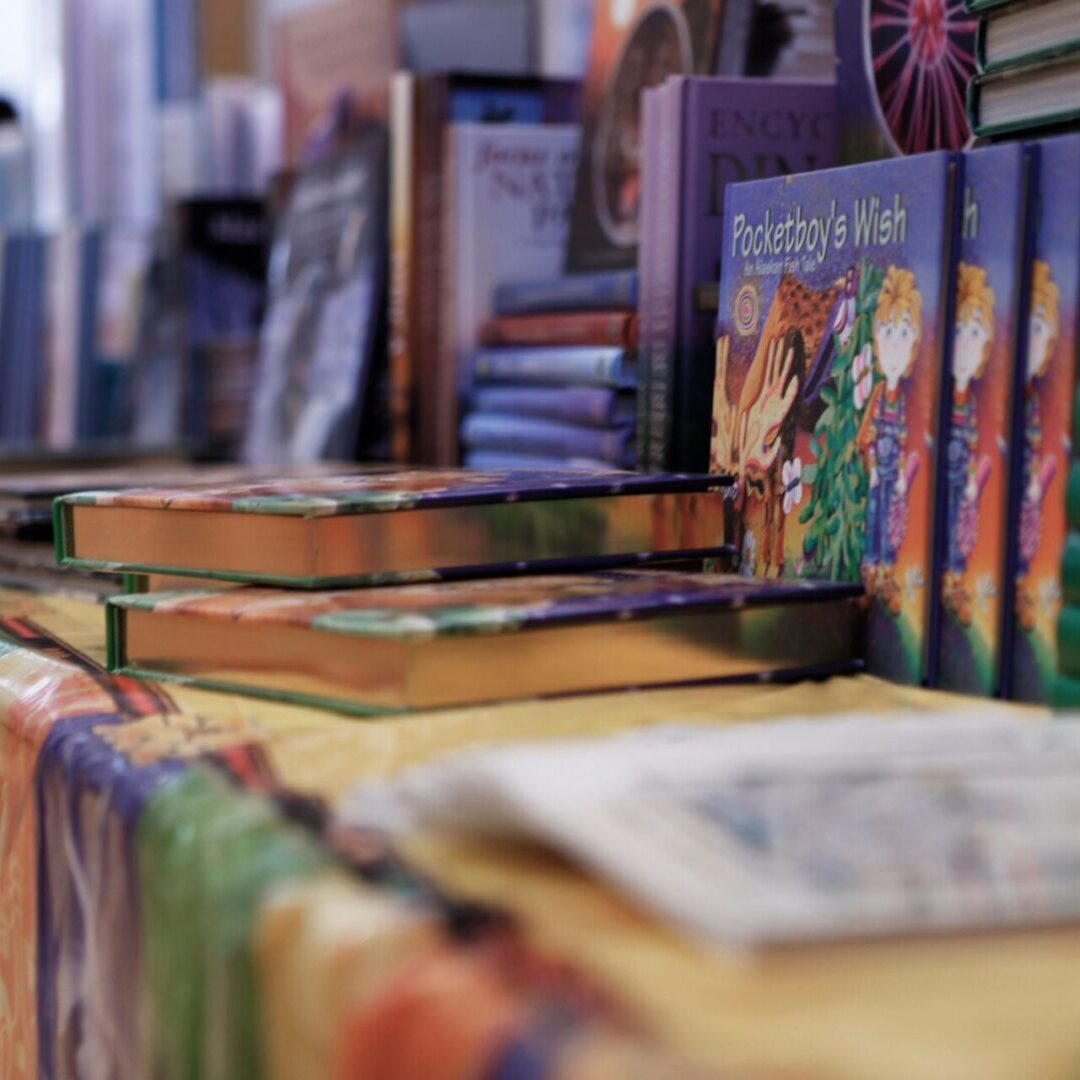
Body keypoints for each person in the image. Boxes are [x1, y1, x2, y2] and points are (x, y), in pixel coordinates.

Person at [858, 266, 923, 610]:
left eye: (902, 335)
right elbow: (864, 435)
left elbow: (913, 445)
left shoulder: (905, 402)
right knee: (874, 520)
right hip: (876, 476)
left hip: (895, 476)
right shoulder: (879, 394)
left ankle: (887, 575)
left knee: (892, 524)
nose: (894, 347)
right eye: (886, 334)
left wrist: (902, 475)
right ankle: (871, 574)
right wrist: (871, 464)